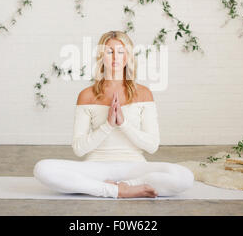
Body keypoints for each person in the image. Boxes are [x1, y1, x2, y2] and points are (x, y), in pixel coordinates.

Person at [33, 30, 194, 198]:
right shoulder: (86, 95)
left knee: (185, 177)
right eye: (110, 52)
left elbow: (152, 146)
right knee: (42, 168)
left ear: (128, 55)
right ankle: (116, 190)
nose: (116, 57)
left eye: (121, 51)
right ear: (102, 56)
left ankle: (124, 186)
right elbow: (79, 149)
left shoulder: (144, 93)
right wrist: (108, 125)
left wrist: (123, 124)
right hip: (96, 166)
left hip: (134, 166)